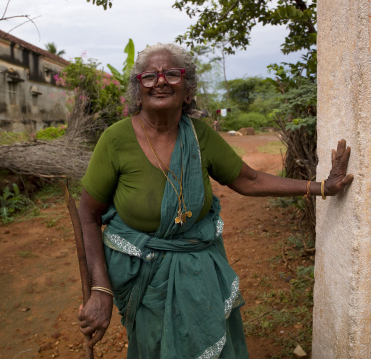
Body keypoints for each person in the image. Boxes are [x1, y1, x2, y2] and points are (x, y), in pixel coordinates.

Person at [77, 43, 353, 359]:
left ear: (189, 89)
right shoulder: (115, 140)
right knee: (155, 347)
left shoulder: (199, 136)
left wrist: (321, 187)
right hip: (143, 275)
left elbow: (250, 180)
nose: (161, 81)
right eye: (150, 76)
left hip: (199, 272)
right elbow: (88, 214)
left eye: (172, 74)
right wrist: (100, 290)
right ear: (137, 90)